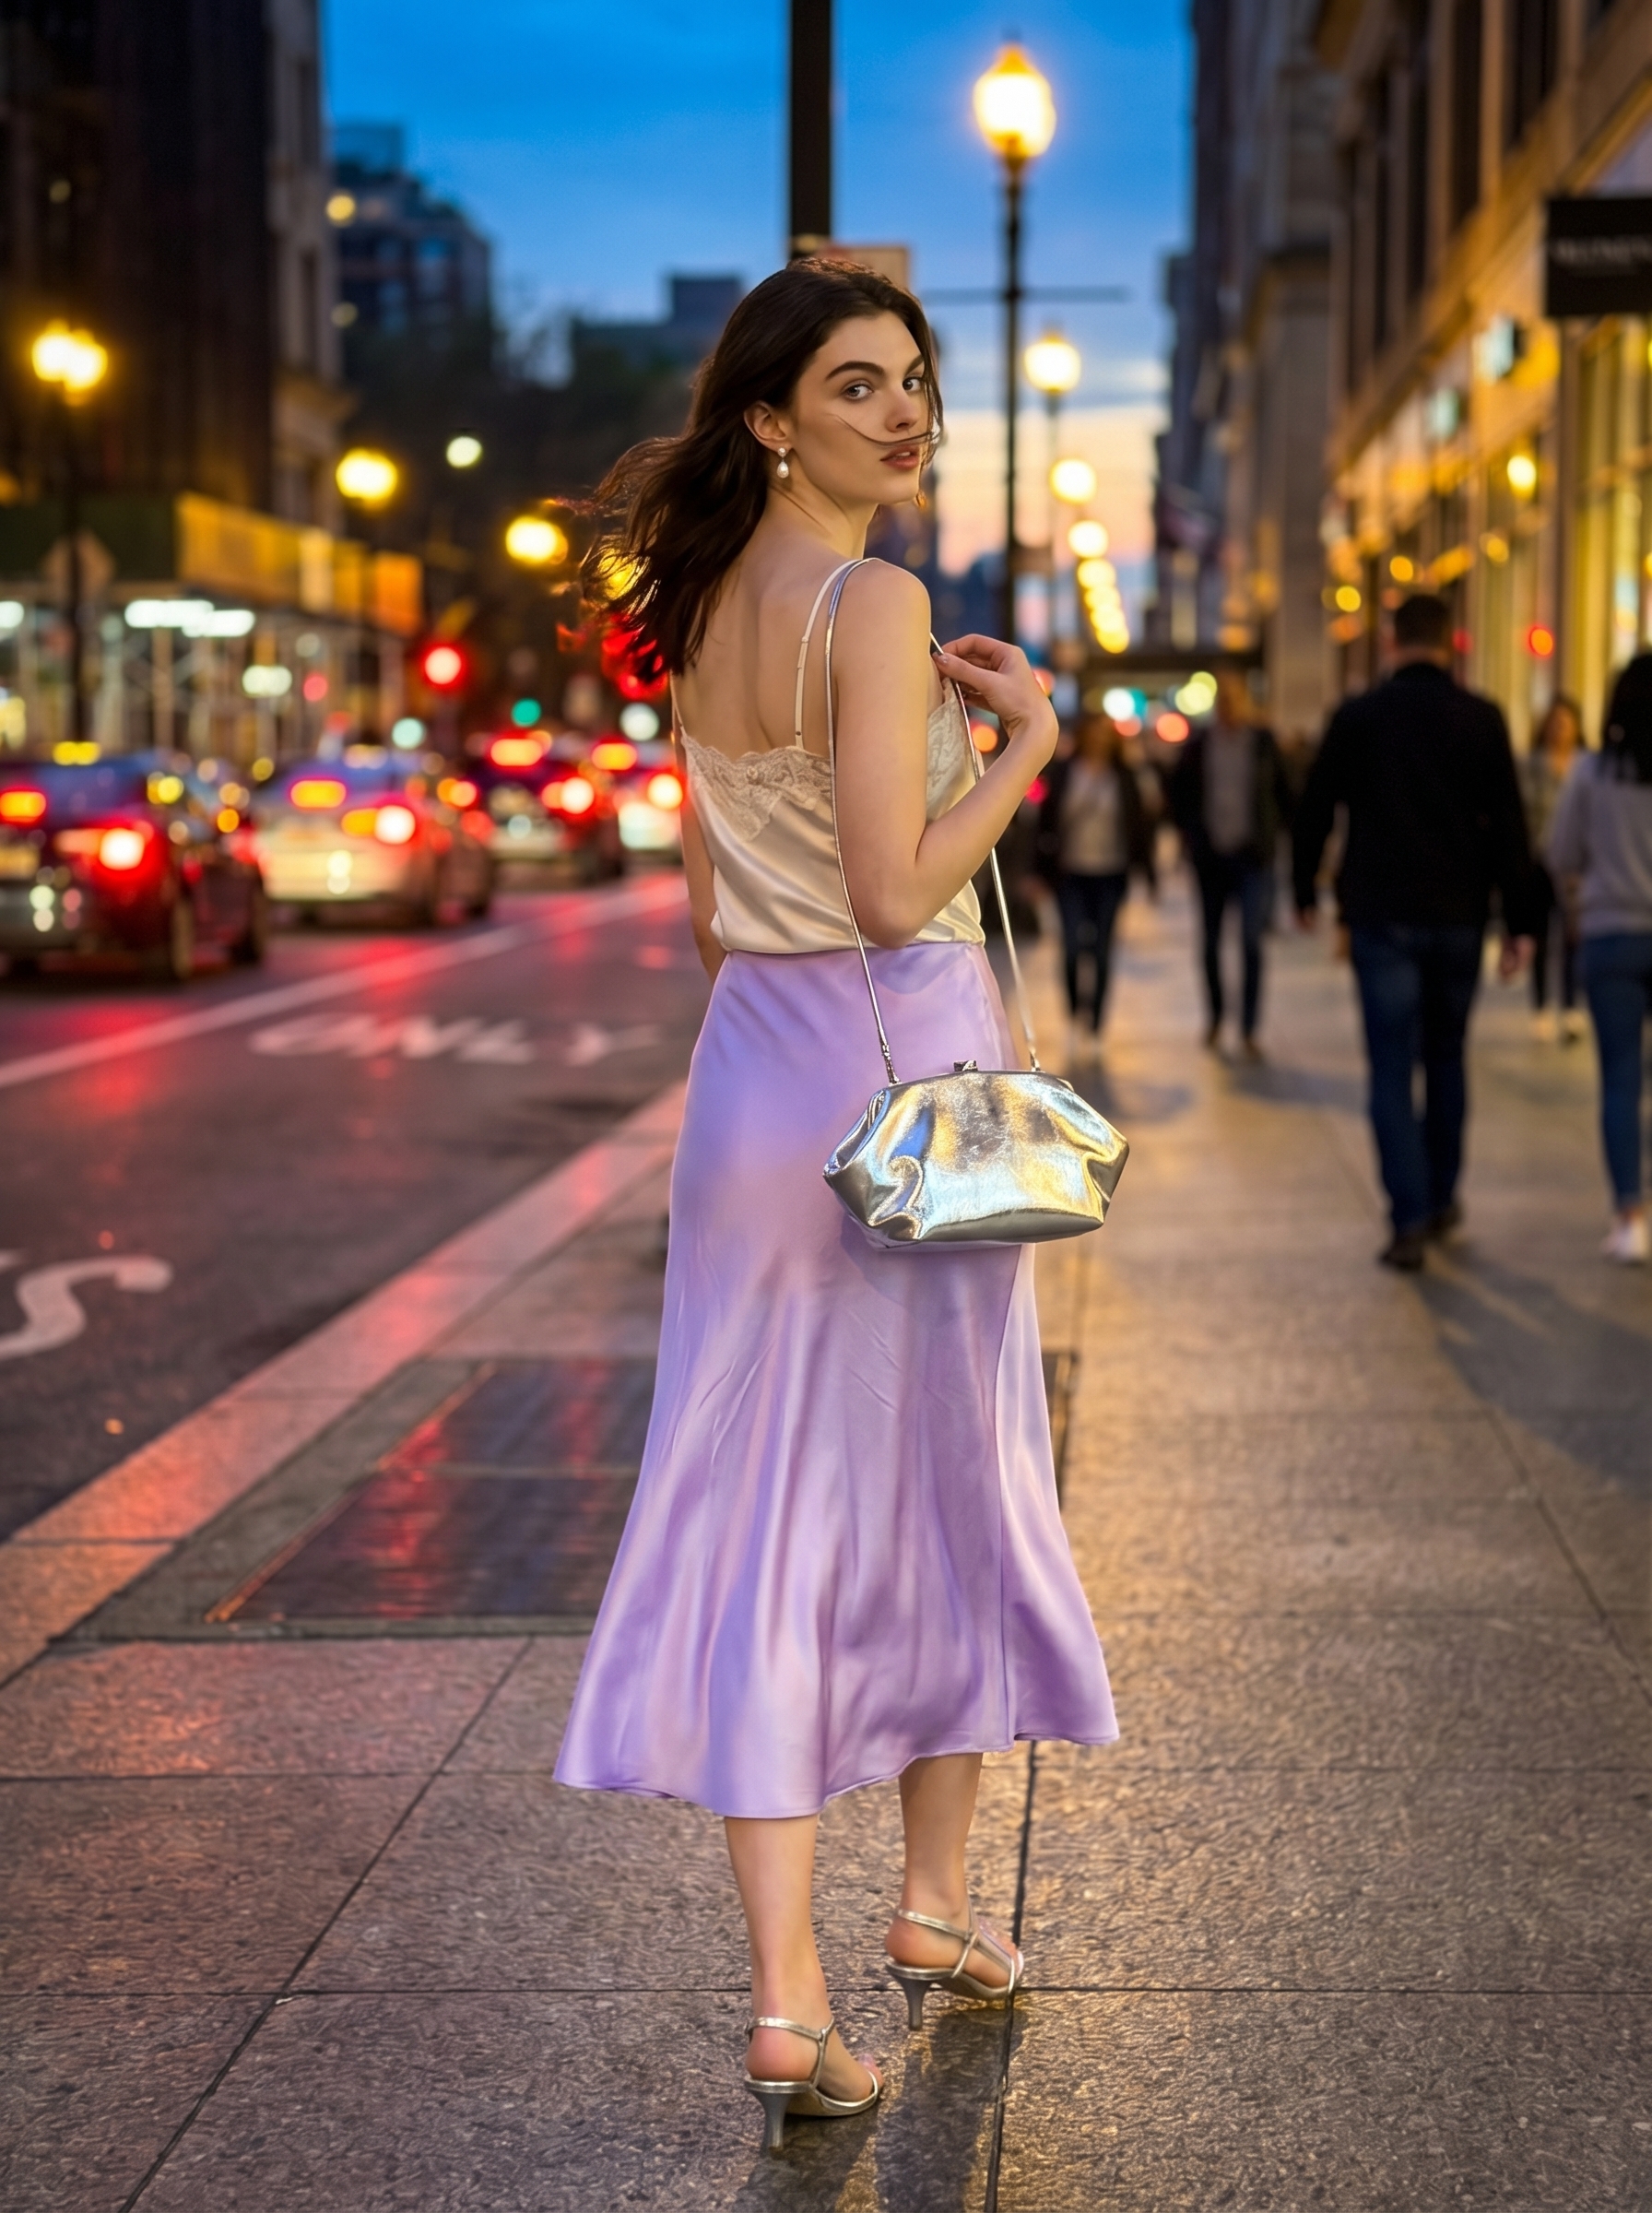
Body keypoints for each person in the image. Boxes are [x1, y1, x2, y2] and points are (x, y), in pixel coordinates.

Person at [552, 260, 1116, 2148]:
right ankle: (928, 1906)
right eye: (855, 384)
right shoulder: (873, 602)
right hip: (900, 1090)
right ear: (771, 418)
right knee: (949, 1488)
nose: (900, 412)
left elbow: (724, 914)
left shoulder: (704, 606)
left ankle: (805, 1996)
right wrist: (1026, 749)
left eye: (914, 383)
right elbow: (894, 896)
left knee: (762, 1515)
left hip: (751, 1085)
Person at [1292, 593, 1534, 1271]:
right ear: (1452, 641)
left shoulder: (1361, 717)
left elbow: (1316, 807)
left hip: (1383, 915)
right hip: (1459, 915)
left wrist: (1304, 888)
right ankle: (1443, 1195)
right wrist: (1521, 921)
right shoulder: (1482, 719)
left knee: (1392, 1068)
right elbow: (1511, 827)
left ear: (1392, 640)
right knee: (1449, 1057)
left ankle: (1408, 1218)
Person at [1546, 653, 1652, 1264]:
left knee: (1620, 1078)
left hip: (1612, 933)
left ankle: (1630, 1216)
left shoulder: (1591, 773)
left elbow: (1561, 853)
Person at [1168, 668, 1293, 1058]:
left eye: (1236, 699)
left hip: (1252, 857)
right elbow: (1180, 794)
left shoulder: (1263, 742)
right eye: (1224, 699)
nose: (1230, 707)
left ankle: (1250, 1026)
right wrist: (1190, 837)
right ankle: (1217, 1016)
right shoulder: (1200, 743)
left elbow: (1285, 794)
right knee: (1210, 942)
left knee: (1252, 941)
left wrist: (1275, 839)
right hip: (1210, 858)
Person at [1033, 712, 1156, 1056]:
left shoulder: (1125, 776)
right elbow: (1045, 823)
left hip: (1111, 874)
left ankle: (1097, 1025)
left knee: (1102, 951)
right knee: (1072, 949)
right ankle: (1074, 1016)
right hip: (1070, 874)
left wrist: (1149, 873)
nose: (1099, 741)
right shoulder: (1064, 773)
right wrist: (1038, 871)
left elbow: (1140, 825)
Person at [1521, 695, 1584, 1041]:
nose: (1559, 728)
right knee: (1542, 936)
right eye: (1554, 720)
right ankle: (1542, 1007)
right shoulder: (1532, 765)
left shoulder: (1588, 767)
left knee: (1573, 936)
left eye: (1565, 720)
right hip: (1540, 862)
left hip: (1575, 867)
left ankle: (1571, 1007)